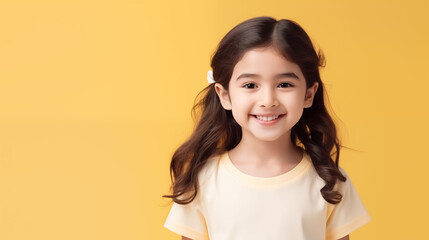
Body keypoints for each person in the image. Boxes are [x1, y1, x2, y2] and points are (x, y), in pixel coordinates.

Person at [163, 16, 371, 240]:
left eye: (284, 84)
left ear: (309, 94)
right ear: (224, 95)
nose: (268, 100)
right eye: (250, 85)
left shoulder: (329, 182)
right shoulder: (203, 180)